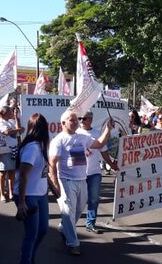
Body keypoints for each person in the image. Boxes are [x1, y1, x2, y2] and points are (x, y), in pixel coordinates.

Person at [48, 109, 114, 255]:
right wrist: (55, 184)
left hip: (81, 180)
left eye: (76, 119)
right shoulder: (58, 140)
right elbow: (52, 163)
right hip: (65, 180)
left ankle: (63, 227)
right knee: (68, 210)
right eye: (72, 120)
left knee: (79, 209)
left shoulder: (82, 138)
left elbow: (99, 143)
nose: (76, 122)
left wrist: (108, 129)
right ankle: (73, 243)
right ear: (63, 123)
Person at [14, 113, 59, 264]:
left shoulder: (41, 146)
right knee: (31, 234)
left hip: (40, 194)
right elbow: (24, 176)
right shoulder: (32, 148)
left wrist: (53, 187)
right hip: (28, 195)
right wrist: (22, 202)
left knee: (43, 230)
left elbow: (42, 171)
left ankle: (30, 258)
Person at [77, 110, 118, 233]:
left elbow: (103, 151)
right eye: (80, 119)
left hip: (94, 172)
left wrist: (111, 165)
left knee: (93, 199)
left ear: (90, 119)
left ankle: (90, 223)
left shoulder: (97, 133)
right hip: (79, 174)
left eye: (84, 118)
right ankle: (69, 223)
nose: (81, 121)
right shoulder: (76, 133)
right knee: (78, 201)